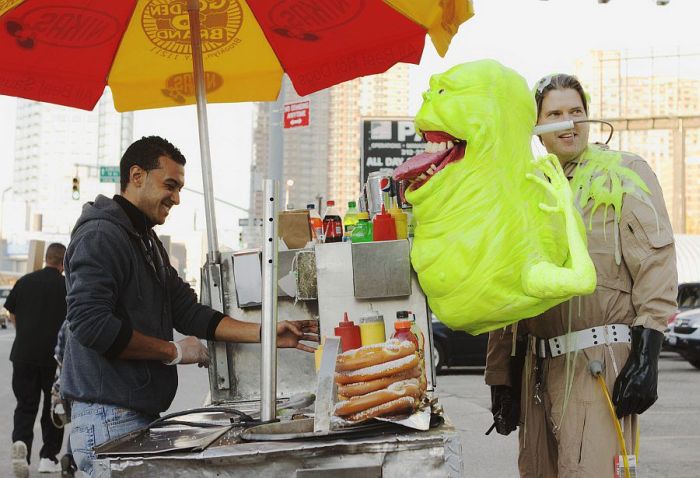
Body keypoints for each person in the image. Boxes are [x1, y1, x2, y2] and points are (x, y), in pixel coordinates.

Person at [61, 136, 319, 475]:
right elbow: (92, 325)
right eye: (170, 185)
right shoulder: (101, 235)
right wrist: (173, 352)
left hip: (133, 415)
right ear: (137, 176)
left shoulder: (145, 239)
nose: (177, 198)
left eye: (180, 188)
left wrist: (268, 332)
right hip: (108, 417)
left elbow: (188, 310)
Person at [485, 74, 677, 477]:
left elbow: (655, 264)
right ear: (537, 129)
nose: (569, 123)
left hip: (598, 362)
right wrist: (501, 377)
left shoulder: (625, 173)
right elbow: (506, 287)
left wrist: (648, 355)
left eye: (577, 112)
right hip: (537, 368)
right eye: (555, 114)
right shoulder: (526, 190)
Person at [5, 243, 68, 477]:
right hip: (54, 358)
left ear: (46, 259)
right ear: (63, 263)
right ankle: (48, 457)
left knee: (25, 405)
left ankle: (21, 443)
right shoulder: (67, 286)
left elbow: (12, 313)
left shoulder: (25, 281)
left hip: (23, 354)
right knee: (53, 407)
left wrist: (24, 332)